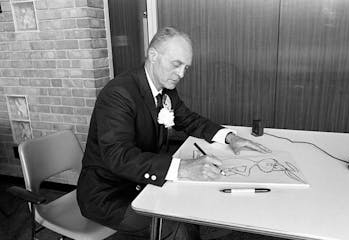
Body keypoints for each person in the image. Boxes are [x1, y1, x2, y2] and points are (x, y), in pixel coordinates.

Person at [77, 27, 270, 239]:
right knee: (177, 226)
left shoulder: (166, 89)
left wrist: (229, 137)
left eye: (186, 68)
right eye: (176, 64)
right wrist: (183, 168)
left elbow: (188, 119)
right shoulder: (118, 94)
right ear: (153, 55)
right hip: (110, 194)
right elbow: (119, 157)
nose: (181, 74)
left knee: (193, 205)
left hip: (142, 182)